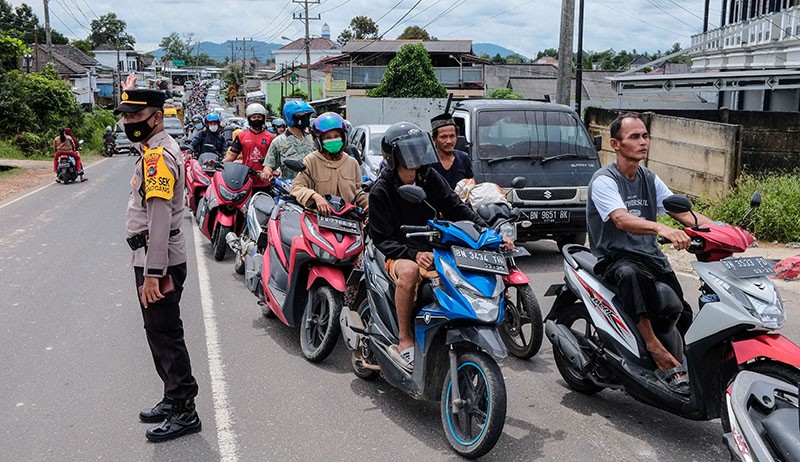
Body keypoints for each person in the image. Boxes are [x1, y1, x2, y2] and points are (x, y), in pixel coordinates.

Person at [369, 121, 512, 370]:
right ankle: (404, 337)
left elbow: (456, 207)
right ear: (394, 156)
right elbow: (382, 239)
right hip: (398, 250)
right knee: (410, 273)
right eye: (407, 151)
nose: (415, 156)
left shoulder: (428, 176)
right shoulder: (381, 190)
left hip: (433, 245)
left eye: (417, 149)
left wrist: (489, 233)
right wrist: (413, 254)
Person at [586, 112, 712, 395]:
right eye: (634, 137)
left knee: (681, 309)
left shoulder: (648, 177)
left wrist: (721, 229)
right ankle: (653, 346)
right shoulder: (604, 180)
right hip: (615, 257)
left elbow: (680, 211)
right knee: (630, 276)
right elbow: (620, 219)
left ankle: (690, 365)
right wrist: (660, 228)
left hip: (649, 256)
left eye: (645, 136)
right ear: (615, 144)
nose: (643, 142)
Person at [116, 78, 201, 442]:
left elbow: (162, 218)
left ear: (156, 117)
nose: (126, 122)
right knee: (157, 331)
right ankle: (172, 397)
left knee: (166, 333)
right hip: (152, 255)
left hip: (157, 259)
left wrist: (153, 273)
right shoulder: (152, 150)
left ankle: (185, 410)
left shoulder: (157, 158)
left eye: (134, 114)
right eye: (124, 116)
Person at [290, 112, 369, 214]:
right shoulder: (311, 161)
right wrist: (315, 196)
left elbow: (358, 190)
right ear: (319, 141)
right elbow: (296, 187)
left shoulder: (352, 163)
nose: (333, 140)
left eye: (337, 136)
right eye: (328, 138)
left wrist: (368, 205)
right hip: (318, 218)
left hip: (349, 220)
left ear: (343, 138)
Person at [221, 103, 274, 190]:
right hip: (245, 181)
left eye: (259, 117)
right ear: (249, 119)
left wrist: (268, 171)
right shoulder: (241, 136)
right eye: (254, 117)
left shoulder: (271, 137)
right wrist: (219, 165)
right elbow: (232, 156)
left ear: (263, 118)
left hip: (265, 181)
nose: (256, 119)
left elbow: (273, 159)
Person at [262, 100, 315, 181]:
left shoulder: (311, 138)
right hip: (291, 188)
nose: (306, 120)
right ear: (291, 118)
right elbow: (269, 165)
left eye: (308, 116)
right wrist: (266, 173)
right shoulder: (278, 142)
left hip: (313, 186)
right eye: (302, 117)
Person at [428, 112, 473, 189]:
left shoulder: (463, 158)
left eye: (452, 136)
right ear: (434, 139)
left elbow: (470, 185)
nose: (449, 141)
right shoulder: (427, 161)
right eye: (443, 137)